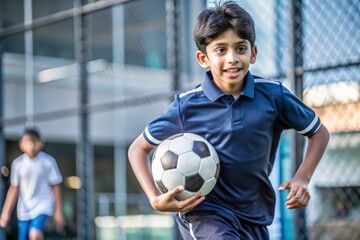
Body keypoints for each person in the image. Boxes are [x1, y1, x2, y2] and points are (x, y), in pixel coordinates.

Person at [128, 1, 330, 239]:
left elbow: (319, 132)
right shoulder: (187, 106)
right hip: (205, 214)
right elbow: (138, 149)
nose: (232, 58)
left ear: (253, 53)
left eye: (241, 48)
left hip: (254, 216)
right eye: (221, 50)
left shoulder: (274, 96)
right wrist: (155, 199)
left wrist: (303, 177)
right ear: (203, 58)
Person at [0, 127, 65, 240]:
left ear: (41, 143)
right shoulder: (18, 164)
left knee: (34, 235)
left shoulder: (48, 162)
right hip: (24, 210)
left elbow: (55, 187)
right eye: (28, 142)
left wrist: (58, 212)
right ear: (21, 144)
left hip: (42, 206)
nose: (31, 146)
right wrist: (5, 213)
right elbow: (14, 189)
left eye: (34, 141)